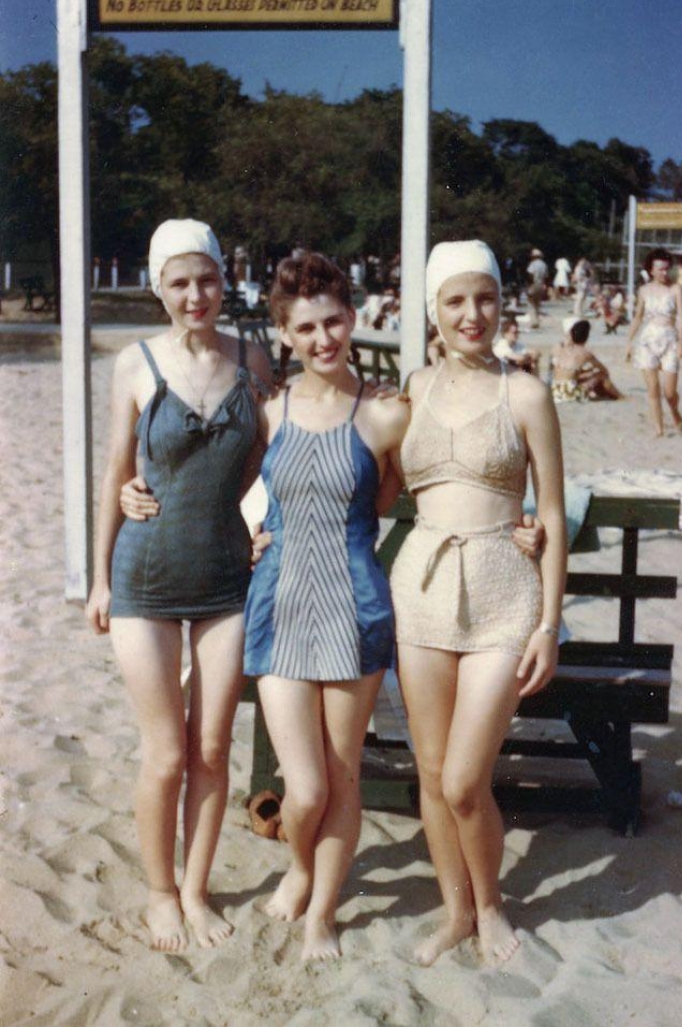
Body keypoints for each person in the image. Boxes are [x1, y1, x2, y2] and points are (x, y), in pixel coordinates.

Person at [85, 219, 272, 952]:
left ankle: (195, 889)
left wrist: (259, 521)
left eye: (208, 280)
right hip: (145, 576)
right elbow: (115, 469)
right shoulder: (134, 363)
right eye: (180, 283)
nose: (196, 295)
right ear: (158, 288)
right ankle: (160, 892)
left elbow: (267, 457)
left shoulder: (252, 359)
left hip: (228, 576)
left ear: (225, 280)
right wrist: (99, 578)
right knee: (166, 753)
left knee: (213, 748)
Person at [390, 240, 567, 966]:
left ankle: (490, 905)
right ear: (433, 310)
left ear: (501, 303)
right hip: (421, 591)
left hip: (503, 595)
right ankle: (456, 911)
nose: (472, 314)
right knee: (433, 775)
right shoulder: (413, 388)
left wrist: (549, 624)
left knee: (466, 779)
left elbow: (552, 512)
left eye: (485, 298)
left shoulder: (524, 393)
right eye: (455, 300)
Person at [243, 253, 411, 962]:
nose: (323, 338)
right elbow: (220, 487)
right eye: (306, 327)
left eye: (333, 321)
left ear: (353, 317)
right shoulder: (268, 411)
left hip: (354, 609)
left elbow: (427, 489)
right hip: (278, 608)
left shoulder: (385, 413)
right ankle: (301, 867)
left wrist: (523, 523)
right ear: (284, 334)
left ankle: (320, 913)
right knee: (304, 788)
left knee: (341, 777)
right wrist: (247, 534)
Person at [624, 248, 682, 436]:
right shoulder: (643, 290)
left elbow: (681, 318)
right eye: (660, 269)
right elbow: (638, 317)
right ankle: (659, 429)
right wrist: (628, 342)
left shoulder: (676, 289)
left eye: (667, 269)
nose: (664, 273)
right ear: (651, 270)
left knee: (669, 392)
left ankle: (675, 412)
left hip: (669, 339)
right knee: (652, 388)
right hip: (648, 339)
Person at [550, 319, 622, 402]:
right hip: (569, 393)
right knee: (601, 375)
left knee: (584, 376)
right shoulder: (585, 353)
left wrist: (584, 373)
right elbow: (604, 370)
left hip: (554, 391)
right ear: (586, 336)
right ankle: (620, 397)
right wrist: (589, 373)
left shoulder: (558, 348)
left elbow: (566, 372)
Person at [525, 248, 548, 328]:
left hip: (534, 283)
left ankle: (534, 321)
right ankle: (537, 320)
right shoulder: (544, 264)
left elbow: (530, 274)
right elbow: (546, 276)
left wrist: (529, 284)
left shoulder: (533, 264)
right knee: (538, 303)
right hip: (541, 284)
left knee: (531, 302)